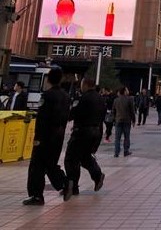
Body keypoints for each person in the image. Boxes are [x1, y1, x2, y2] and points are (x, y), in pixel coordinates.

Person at [23, 67, 72, 205]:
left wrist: (37, 138)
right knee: (50, 163)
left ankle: (36, 195)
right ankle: (64, 182)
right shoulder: (66, 96)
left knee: (36, 166)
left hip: (45, 136)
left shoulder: (47, 95)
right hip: (59, 135)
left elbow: (42, 118)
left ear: (49, 79)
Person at [63, 77, 106, 197]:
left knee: (71, 159)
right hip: (95, 132)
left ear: (86, 85)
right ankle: (97, 175)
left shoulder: (84, 98)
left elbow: (74, 113)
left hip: (82, 132)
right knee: (85, 157)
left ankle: (73, 186)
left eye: (82, 85)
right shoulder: (101, 99)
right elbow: (102, 118)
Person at [112, 87, 135, 157]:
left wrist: (114, 119)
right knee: (126, 137)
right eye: (127, 90)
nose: (128, 91)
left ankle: (116, 152)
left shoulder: (116, 100)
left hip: (118, 120)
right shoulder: (129, 99)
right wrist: (133, 120)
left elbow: (114, 111)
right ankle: (126, 151)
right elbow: (132, 111)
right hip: (126, 121)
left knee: (117, 138)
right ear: (125, 91)